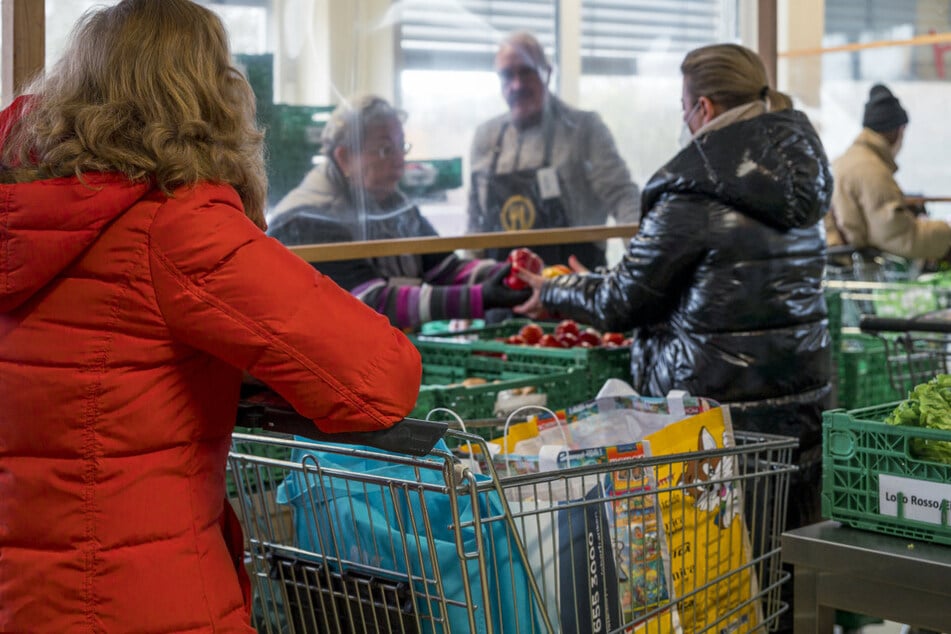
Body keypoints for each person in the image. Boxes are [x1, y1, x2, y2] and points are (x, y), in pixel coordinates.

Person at [0, 2, 422, 632]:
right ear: (210, 95)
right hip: (139, 600)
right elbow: (380, 380)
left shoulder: (23, 214)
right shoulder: (177, 225)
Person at [516, 42, 831, 574]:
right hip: (802, 409)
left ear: (703, 108)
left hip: (719, 421)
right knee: (787, 575)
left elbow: (624, 301)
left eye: (683, 108)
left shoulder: (695, 188)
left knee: (725, 582)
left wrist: (552, 290)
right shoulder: (803, 177)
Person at [267, 95, 531, 330]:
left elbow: (445, 268)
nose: (399, 160)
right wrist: (480, 297)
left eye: (401, 147)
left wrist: (509, 274)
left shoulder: (392, 203)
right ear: (345, 157)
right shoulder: (309, 218)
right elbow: (373, 303)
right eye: (385, 150)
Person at [467, 31, 640, 270]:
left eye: (526, 72)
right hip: (502, 288)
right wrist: (469, 284)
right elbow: (475, 222)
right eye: (507, 75)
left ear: (546, 73)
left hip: (573, 285)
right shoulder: (485, 136)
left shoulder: (584, 129)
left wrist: (644, 261)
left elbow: (622, 196)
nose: (517, 85)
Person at [827, 83, 951, 260]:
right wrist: (946, 230)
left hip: (839, 264)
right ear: (898, 130)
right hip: (858, 267)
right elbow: (900, 237)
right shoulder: (872, 171)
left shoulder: (843, 161)